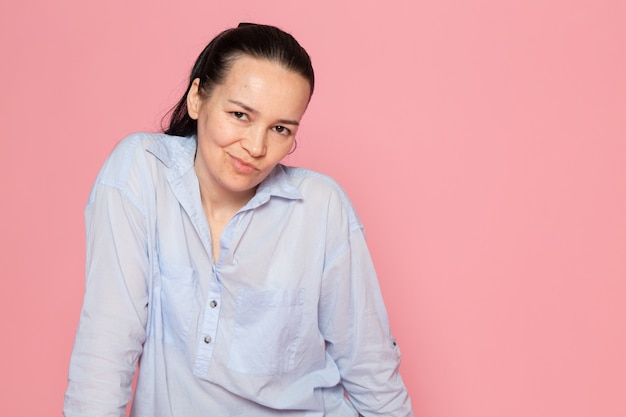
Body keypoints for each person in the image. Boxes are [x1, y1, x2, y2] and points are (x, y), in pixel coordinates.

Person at [63, 23, 413, 417]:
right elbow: (105, 348)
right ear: (197, 99)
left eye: (280, 129)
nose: (257, 146)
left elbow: (371, 367)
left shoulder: (321, 207)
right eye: (240, 115)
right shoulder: (141, 172)